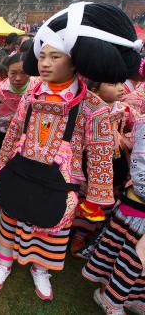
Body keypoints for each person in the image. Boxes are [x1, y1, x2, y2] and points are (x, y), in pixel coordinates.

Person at [0, 2, 141, 301]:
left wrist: (96, 197)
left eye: (54, 57)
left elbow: (98, 155)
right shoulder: (31, 95)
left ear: (74, 63)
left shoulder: (91, 106)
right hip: (21, 169)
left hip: (61, 179)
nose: (44, 63)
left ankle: (40, 269)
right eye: (42, 56)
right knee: (10, 216)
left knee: (52, 229)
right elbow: (15, 132)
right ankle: (3, 262)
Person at [82, 115, 145, 314]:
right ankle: (109, 298)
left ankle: (132, 297)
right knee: (127, 260)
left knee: (137, 265)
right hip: (137, 211)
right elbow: (140, 168)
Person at [71, 80, 138, 258]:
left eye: (121, 83)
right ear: (95, 90)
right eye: (113, 84)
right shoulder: (86, 109)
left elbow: (138, 126)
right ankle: (79, 234)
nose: (120, 88)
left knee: (108, 197)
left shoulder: (124, 109)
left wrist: (125, 139)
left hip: (116, 163)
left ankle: (94, 233)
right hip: (91, 162)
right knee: (87, 198)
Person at [0, 51, 37, 229]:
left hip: (21, 143)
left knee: (9, 175)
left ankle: (0, 204)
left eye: (23, 73)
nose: (18, 78)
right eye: (13, 73)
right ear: (7, 71)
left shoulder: (37, 89)